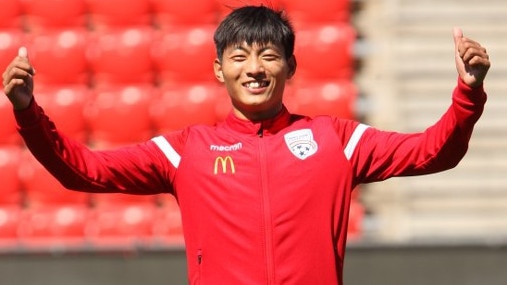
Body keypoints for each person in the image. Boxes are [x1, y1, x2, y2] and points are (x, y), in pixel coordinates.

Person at [2, 5, 490, 285]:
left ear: (290, 67)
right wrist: (28, 110)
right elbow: (85, 170)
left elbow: (434, 151)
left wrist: (467, 92)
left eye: (269, 56)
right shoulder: (186, 149)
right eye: (238, 57)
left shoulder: (337, 140)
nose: (253, 68)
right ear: (219, 70)